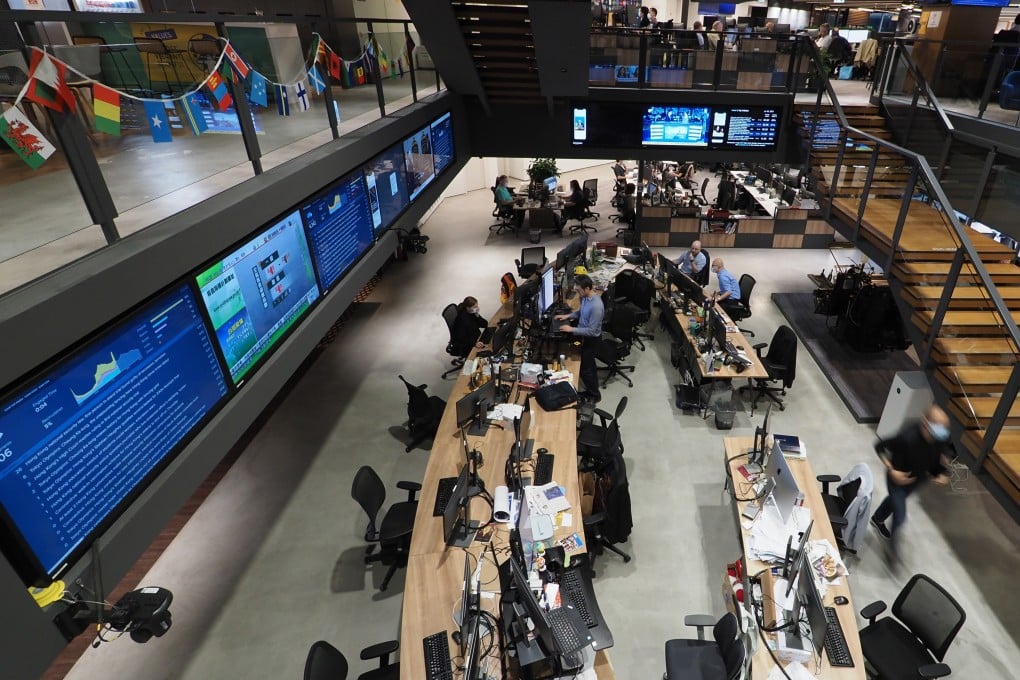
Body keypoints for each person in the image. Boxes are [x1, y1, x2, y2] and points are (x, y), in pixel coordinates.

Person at [870, 404, 952, 563]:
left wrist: (943, 473)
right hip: (898, 479)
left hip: (918, 478)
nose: (941, 431)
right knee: (899, 516)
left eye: (944, 427)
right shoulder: (907, 438)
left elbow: (945, 452)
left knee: (895, 501)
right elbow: (880, 447)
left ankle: (878, 518)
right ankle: (892, 549)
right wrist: (891, 470)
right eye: (937, 425)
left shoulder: (940, 437)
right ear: (924, 422)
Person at [555, 274, 605, 403]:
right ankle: (593, 387)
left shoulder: (596, 306)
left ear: (587, 288)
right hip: (583, 335)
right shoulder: (585, 298)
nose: (577, 291)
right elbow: (580, 312)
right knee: (589, 366)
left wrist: (572, 329)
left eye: (579, 290)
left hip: (591, 340)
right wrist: (568, 316)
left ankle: (594, 395)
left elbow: (593, 331)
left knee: (585, 369)